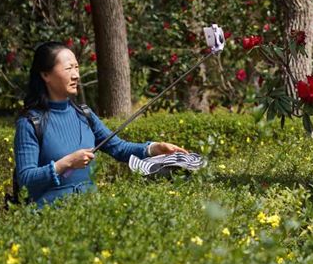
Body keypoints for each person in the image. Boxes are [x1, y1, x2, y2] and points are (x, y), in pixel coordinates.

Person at [13, 41, 189, 209]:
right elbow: (26, 179)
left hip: (91, 214)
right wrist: (65, 163)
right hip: (48, 218)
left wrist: (153, 148)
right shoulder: (29, 123)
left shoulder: (84, 114)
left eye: (76, 67)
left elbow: (119, 148)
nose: (76, 75)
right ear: (45, 75)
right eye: (68, 69)